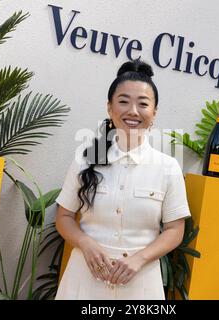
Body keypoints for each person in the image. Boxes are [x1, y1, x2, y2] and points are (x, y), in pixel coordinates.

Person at [55, 59, 191, 300]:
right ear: (110, 108)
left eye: (143, 104)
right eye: (124, 102)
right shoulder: (85, 159)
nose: (133, 111)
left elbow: (174, 229)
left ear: (154, 112)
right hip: (84, 280)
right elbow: (64, 217)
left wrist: (139, 260)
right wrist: (85, 243)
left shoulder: (167, 167)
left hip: (140, 285)